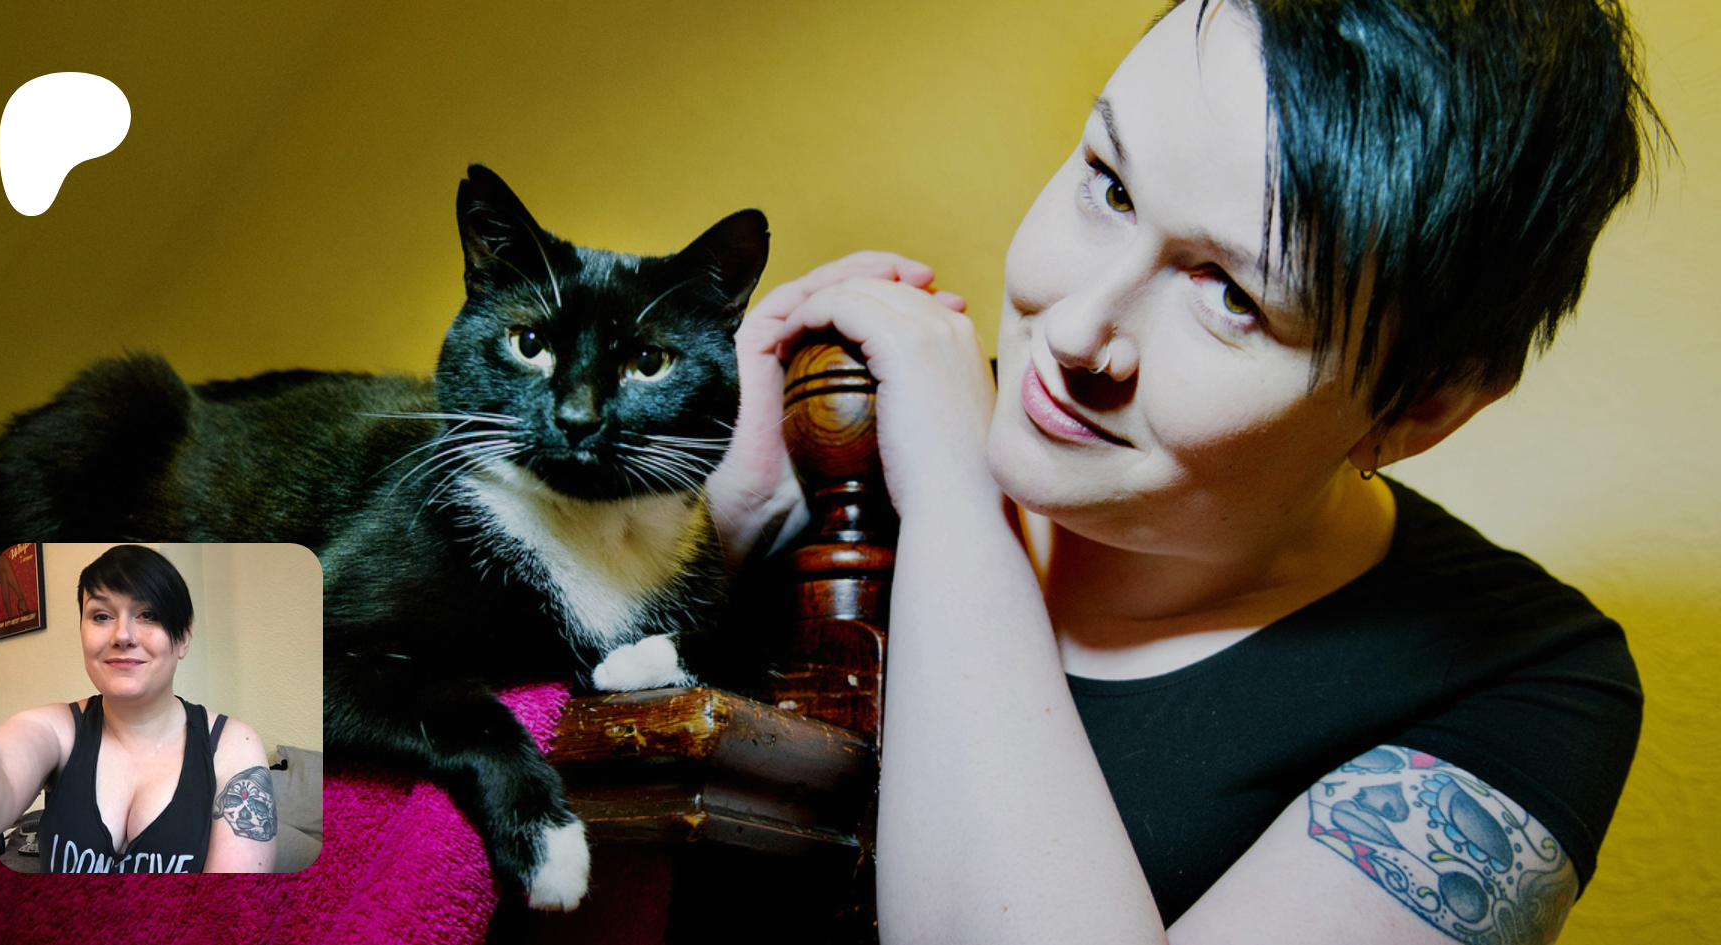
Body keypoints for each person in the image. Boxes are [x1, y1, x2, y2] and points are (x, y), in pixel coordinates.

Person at [708, 0, 1656, 941]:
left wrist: (958, 503)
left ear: (1425, 406)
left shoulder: (1531, 682)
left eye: (1233, 296)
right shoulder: (840, 437)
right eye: (1111, 187)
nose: (1074, 329)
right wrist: (710, 534)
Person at [0, 544, 277, 873]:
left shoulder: (232, 744)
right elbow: (3, 768)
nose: (122, 636)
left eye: (148, 614)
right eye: (101, 616)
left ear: (184, 638)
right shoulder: (54, 729)